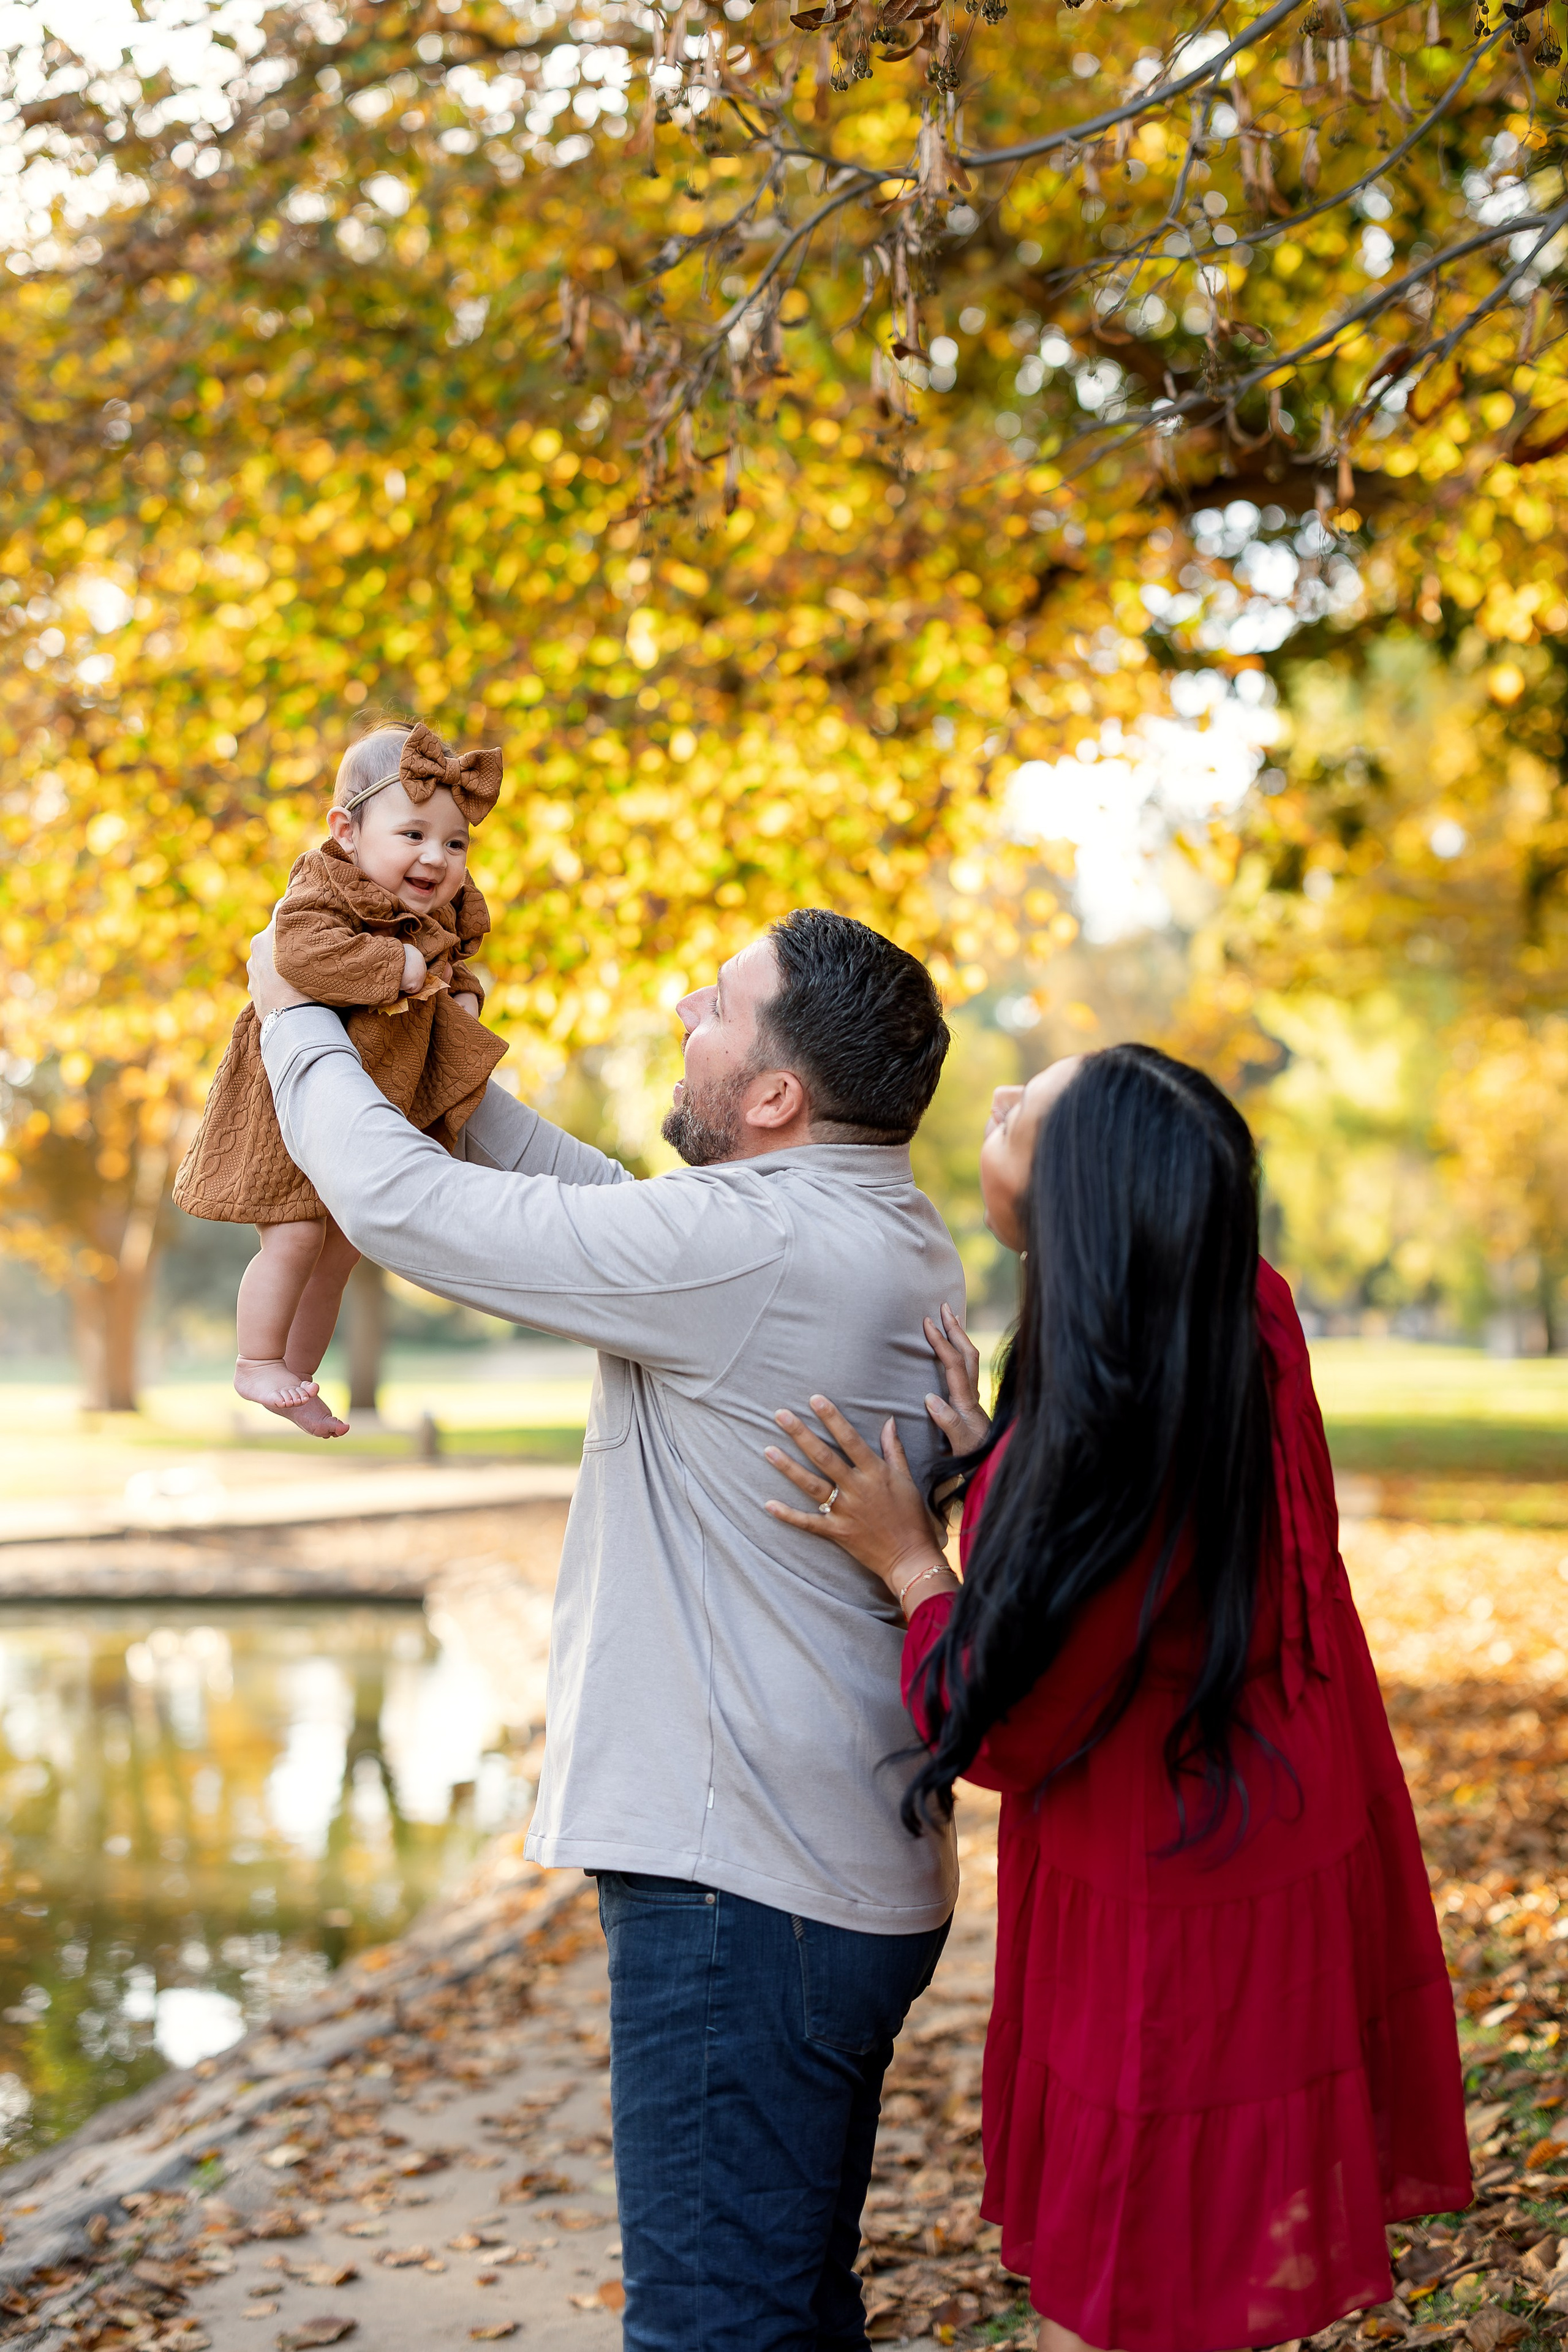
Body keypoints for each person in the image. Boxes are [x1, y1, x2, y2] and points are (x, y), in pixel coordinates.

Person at [246, 904, 963, 2351]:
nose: (682, 1007)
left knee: (714, 2328)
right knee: (787, 2310)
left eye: (715, 1003)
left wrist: (293, 1007)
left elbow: (407, 1211)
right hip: (819, 1864)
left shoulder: (751, 1248)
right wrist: (438, 1057)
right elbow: (593, 1208)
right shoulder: (860, 1221)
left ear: (774, 1097)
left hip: (743, 1890)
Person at [764, 1044, 1472, 2352]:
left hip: (1169, 1884)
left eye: (1018, 1115)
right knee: (1209, 2263)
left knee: (1150, 2283)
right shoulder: (1231, 1313)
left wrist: (915, 1561)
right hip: (1274, 1808)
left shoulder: (1108, 1438)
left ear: (1077, 1202)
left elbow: (1007, 1722)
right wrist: (1004, 1472)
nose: (987, 1107)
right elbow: (1168, 1571)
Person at [174, 719, 505, 1439]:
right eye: (413, 835)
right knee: (293, 1237)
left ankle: (295, 1377)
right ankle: (255, 1359)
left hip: (372, 1102)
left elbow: (453, 960)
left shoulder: (438, 911)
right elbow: (296, 954)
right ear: (347, 832)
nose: (437, 857)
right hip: (290, 1102)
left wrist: (465, 990)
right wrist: (397, 969)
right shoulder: (323, 885)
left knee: (341, 1251)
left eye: (455, 843)